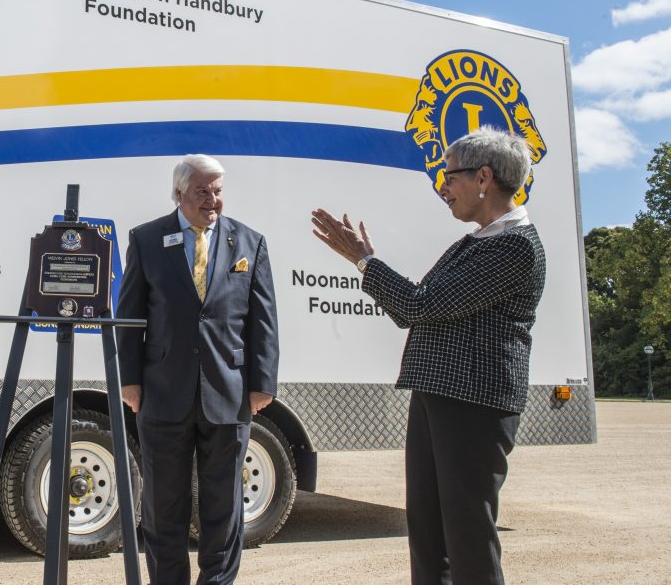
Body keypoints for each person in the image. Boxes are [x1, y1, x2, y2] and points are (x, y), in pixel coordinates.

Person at [311, 126, 546, 585]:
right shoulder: (478, 240)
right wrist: (369, 262)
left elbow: (418, 305)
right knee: (429, 530)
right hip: (440, 396)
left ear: (483, 178)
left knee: (466, 535)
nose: (443, 189)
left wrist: (363, 261)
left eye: (449, 177)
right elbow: (416, 310)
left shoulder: (514, 246)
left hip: (474, 404)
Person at [117, 153, 279, 585]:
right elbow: (130, 314)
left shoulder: (250, 243)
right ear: (179, 193)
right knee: (163, 508)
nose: (212, 200)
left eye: (218, 191)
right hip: (162, 393)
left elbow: (263, 320)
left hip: (228, 394)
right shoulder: (148, 239)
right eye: (202, 191)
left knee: (223, 509)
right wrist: (129, 380)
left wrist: (263, 384)